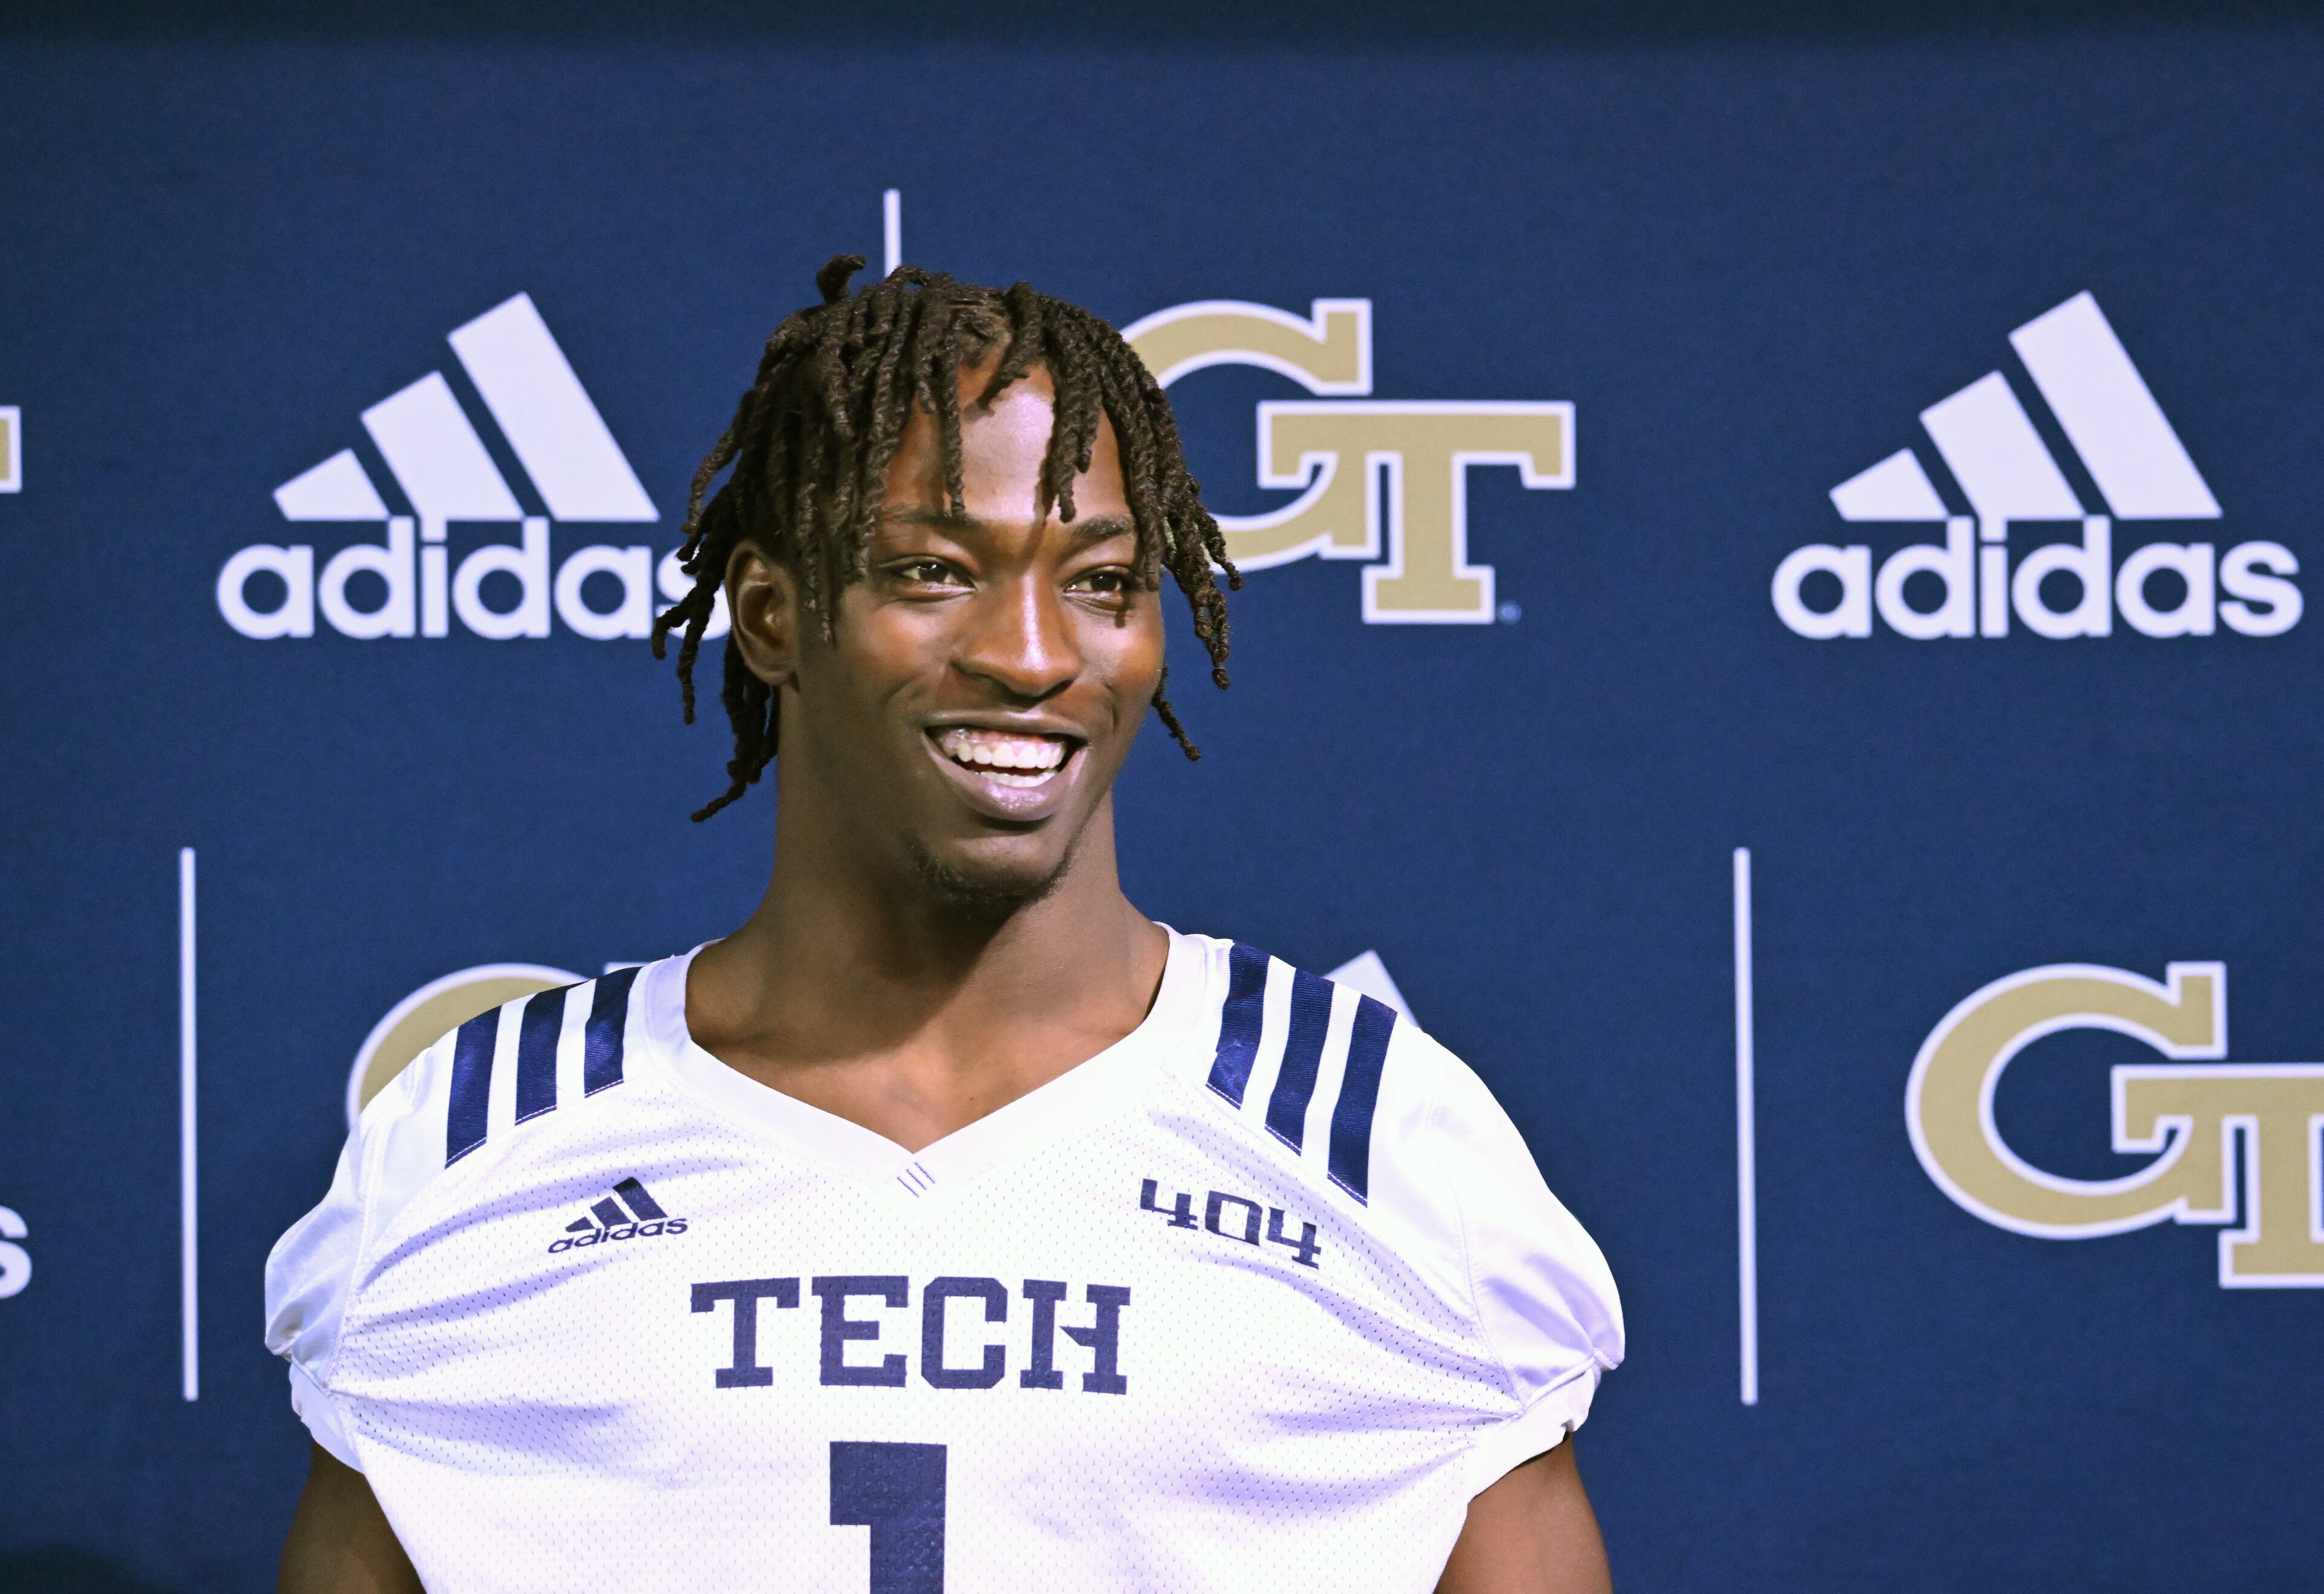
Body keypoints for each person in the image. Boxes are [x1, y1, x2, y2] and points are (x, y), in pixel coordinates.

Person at [266, 258, 1624, 1593]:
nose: (1031, 655)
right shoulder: (481, 1140)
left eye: (1101, 581)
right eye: (932, 569)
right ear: (771, 615)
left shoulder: (1378, 1137)